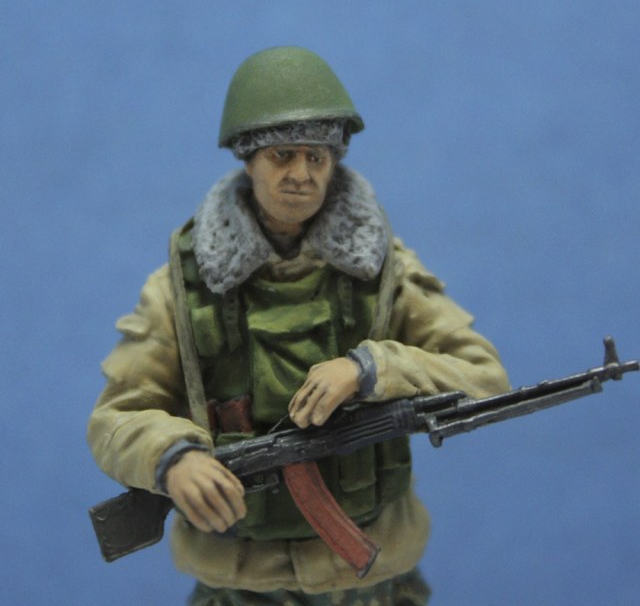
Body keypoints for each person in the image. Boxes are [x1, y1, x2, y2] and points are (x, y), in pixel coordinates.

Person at [88, 46, 510, 606]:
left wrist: (372, 369)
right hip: (240, 581)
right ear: (248, 159)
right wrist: (172, 459)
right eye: (282, 155)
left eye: (317, 157)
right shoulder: (182, 290)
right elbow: (115, 417)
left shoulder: (385, 273)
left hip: (367, 578)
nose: (301, 175)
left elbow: (485, 378)